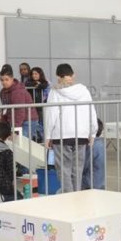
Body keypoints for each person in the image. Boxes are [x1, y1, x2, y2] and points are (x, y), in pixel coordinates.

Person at [44, 63, 98, 194]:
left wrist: (47, 136)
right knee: (77, 169)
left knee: (64, 169)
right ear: (73, 75)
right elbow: (91, 111)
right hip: (81, 134)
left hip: (62, 134)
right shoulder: (84, 91)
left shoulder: (55, 92)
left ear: (58, 77)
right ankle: (76, 196)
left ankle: (69, 197)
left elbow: (51, 115)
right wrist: (93, 132)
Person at [0, 69, 42, 142]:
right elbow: (5, 109)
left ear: (12, 79)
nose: (4, 82)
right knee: (17, 143)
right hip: (16, 121)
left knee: (22, 144)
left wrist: (15, 130)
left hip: (28, 120)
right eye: (2, 80)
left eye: (6, 79)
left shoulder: (18, 92)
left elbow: (19, 112)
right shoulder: (3, 92)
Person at [81, 119, 106, 190]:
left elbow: (82, 166)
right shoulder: (99, 144)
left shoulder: (92, 146)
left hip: (89, 184)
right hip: (98, 183)